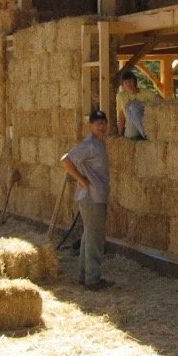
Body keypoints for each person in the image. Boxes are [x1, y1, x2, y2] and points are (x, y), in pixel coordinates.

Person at [59, 109, 114, 290]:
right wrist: (81, 180)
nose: (101, 126)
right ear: (91, 126)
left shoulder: (99, 144)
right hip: (92, 197)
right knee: (95, 237)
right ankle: (93, 279)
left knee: (88, 235)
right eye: (98, 123)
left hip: (95, 196)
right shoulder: (89, 144)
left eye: (104, 123)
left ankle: (84, 276)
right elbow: (65, 160)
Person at [116, 70, 159, 139]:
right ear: (122, 85)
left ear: (135, 82)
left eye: (130, 81)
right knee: (130, 136)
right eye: (126, 82)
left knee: (133, 106)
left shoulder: (145, 92)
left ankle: (146, 135)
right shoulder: (121, 96)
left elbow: (161, 102)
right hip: (132, 124)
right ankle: (144, 134)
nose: (128, 84)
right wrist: (120, 133)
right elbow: (121, 115)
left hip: (147, 122)